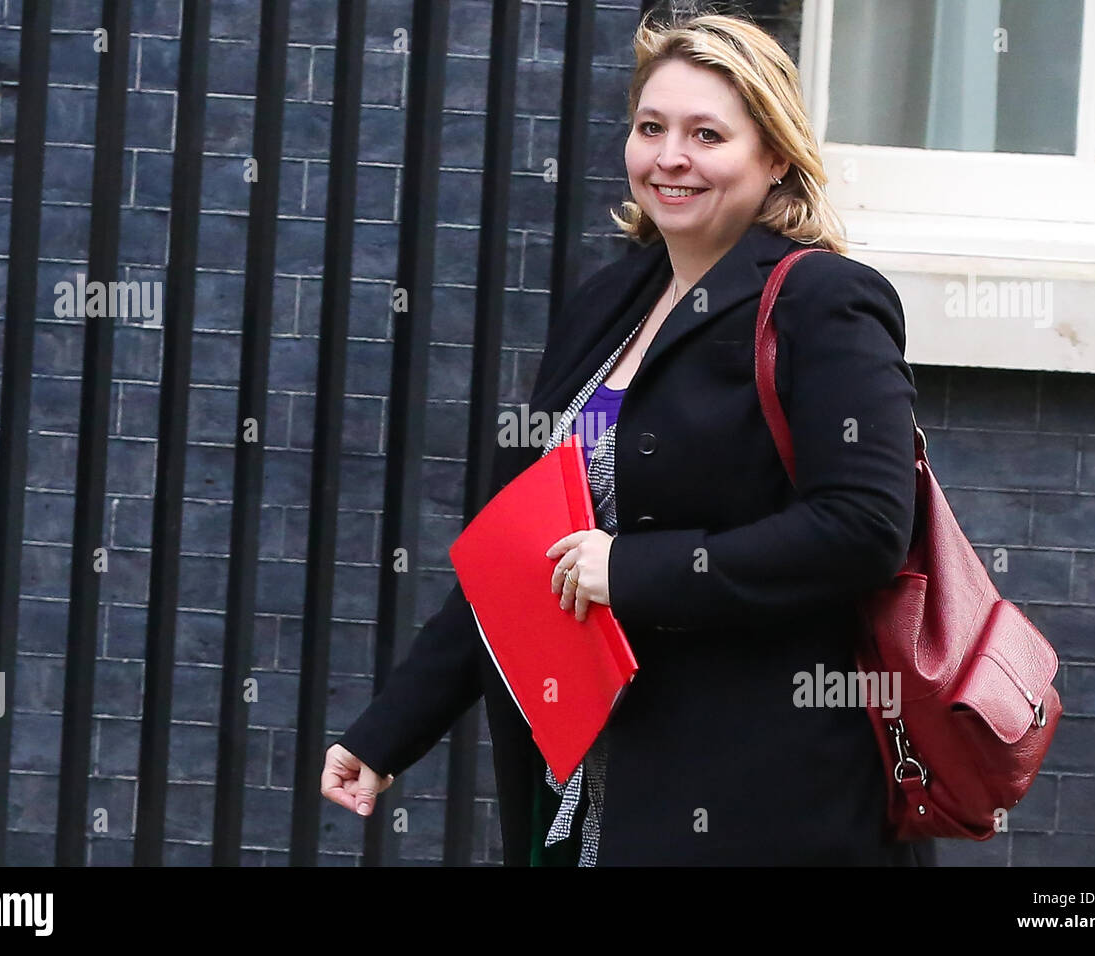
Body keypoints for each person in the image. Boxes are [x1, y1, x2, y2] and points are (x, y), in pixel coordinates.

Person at [321, 11, 937, 867]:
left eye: (707, 134)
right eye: (652, 128)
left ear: (775, 156)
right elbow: (524, 555)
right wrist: (388, 731)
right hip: (591, 793)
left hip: (762, 802)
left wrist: (634, 570)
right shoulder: (607, 305)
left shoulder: (822, 303)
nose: (669, 156)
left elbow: (866, 526)